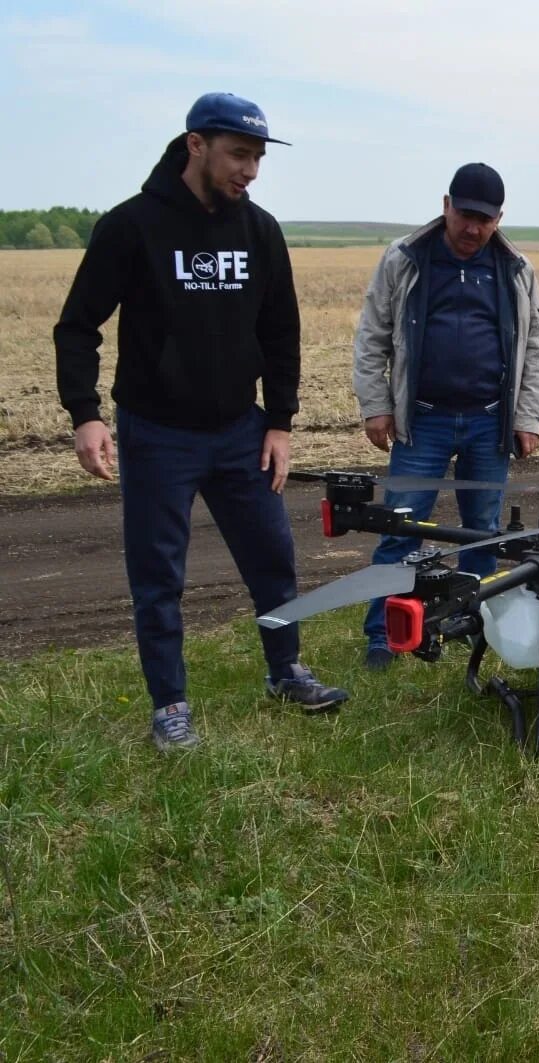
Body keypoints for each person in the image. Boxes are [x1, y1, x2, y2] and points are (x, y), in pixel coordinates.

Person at [54, 92, 349, 751]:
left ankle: (286, 670)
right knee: (158, 576)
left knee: (273, 556)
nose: (250, 170)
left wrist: (279, 422)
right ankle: (170, 706)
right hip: (156, 432)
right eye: (239, 155)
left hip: (240, 429)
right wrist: (86, 415)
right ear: (196, 145)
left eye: (258, 158)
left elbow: (282, 333)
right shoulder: (132, 227)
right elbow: (77, 327)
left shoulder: (260, 231)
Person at [352, 163, 539, 670]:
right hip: (422, 423)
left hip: (490, 423)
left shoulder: (516, 269)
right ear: (446, 205)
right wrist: (376, 406)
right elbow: (372, 335)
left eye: (484, 220)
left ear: (499, 218)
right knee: (401, 529)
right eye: (464, 215)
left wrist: (526, 416)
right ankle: (384, 634)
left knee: (481, 531)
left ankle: (473, 622)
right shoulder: (405, 259)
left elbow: (537, 347)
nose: (472, 229)